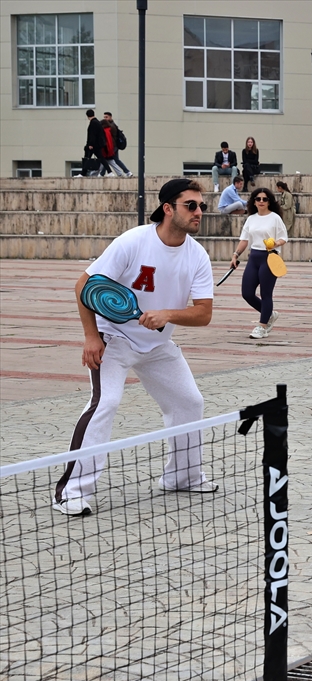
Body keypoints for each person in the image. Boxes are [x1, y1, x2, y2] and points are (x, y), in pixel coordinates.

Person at [54, 178, 216, 516]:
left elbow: (203, 314)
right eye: (191, 205)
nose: (199, 211)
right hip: (113, 338)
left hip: (157, 345)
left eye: (202, 206)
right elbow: (83, 286)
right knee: (106, 402)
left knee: (189, 401)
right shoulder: (133, 241)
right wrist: (91, 337)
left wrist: (167, 315)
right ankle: (71, 492)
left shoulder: (198, 255)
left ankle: (182, 477)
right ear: (168, 208)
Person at [231, 188, 288, 339]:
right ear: (254, 202)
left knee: (266, 293)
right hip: (254, 257)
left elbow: (284, 237)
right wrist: (235, 255)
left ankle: (263, 326)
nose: (261, 201)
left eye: (265, 199)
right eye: (258, 199)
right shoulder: (251, 219)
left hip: (269, 257)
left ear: (269, 202)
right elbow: (244, 240)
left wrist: (276, 243)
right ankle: (269, 314)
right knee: (247, 293)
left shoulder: (275, 218)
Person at [100, 112, 132, 176]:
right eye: (104, 117)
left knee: (109, 159)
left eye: (106, 117)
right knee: (109, 160)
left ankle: (127, 172)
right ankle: (127, 172)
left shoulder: (111, 126)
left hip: (112, 146)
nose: (105, 118)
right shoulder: (112, 125)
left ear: (110, 117)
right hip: (113, 146)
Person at [83, 109, 106, 176]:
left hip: (93, 145)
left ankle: (83, 173)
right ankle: (110, 172)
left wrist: (90, 144)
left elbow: (92, 135)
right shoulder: (97, 122)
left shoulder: (93, 123)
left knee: (87, 158)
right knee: (101, 158)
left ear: (87, 116)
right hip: (97, 145)